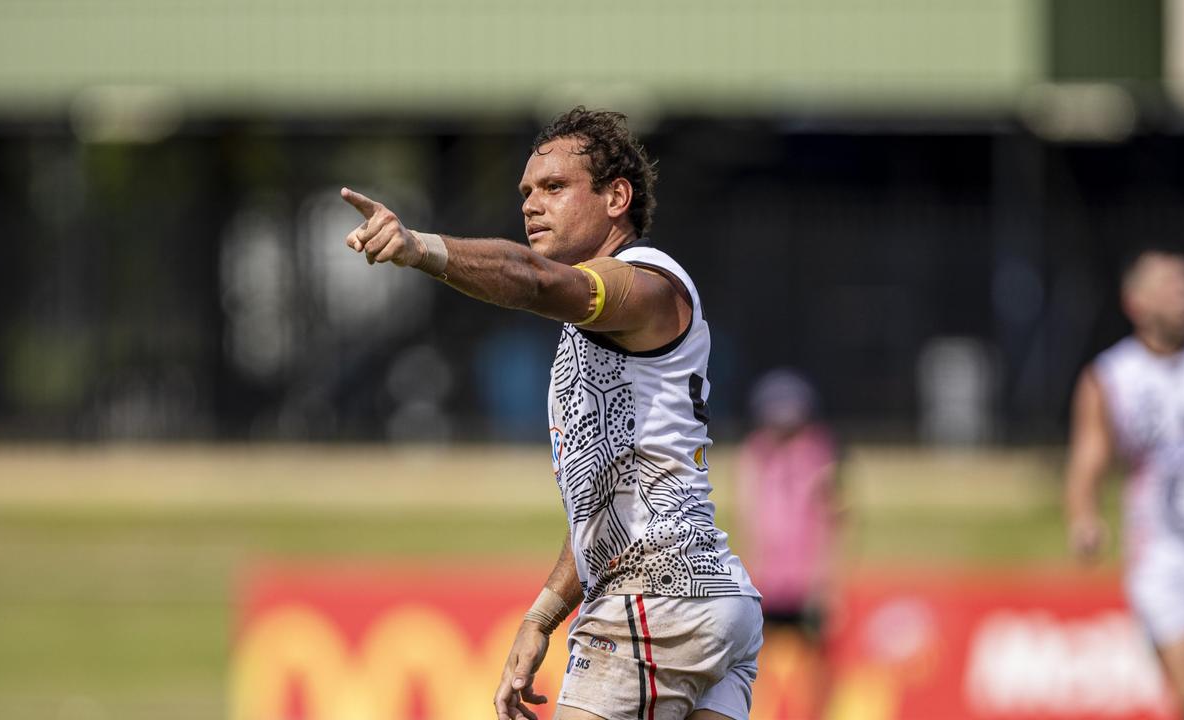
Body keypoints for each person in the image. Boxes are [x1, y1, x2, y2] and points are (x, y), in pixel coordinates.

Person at [340, 108, 762, 720]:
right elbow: (610, 495)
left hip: (655, 595)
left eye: (555, 188)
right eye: (527, 192)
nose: (532, 204)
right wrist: (542, 614)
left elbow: (533, 280)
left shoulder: (645, 284)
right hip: (715, 597)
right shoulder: (594, 322)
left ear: (617, 197)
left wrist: (418, 248)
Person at [1065, 248, 1184, 720]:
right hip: (1164, 553)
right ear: (1136, 303)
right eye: (1171, 287)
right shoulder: (1110, 378)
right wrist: (1084, 517)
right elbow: (1089, 457)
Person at [736, 369, 842, 718]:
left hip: (804, 577)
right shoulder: (755, 454)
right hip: (766, 575)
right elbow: (747, 518)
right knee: (754, 659)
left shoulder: (817, 454)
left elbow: (833, 521)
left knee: (814, 662)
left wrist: (827, 581)